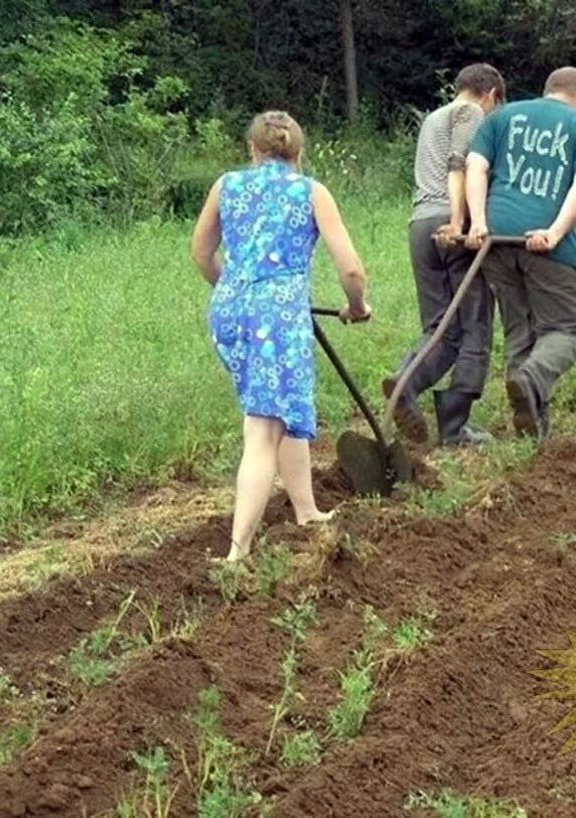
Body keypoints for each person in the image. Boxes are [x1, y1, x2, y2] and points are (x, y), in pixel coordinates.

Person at [191, 111, 371, 562]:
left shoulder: (227, 185)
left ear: (252, 150)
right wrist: (357, 306)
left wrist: (236, 292)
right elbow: (350, 268)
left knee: (282, 406)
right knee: (263, 429)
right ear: (299, 152)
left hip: (230, 312)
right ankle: (238, 552)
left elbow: (202, 251)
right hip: (276, 319)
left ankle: (306, 510)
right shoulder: (309, 191)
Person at [466, 66, 576, 441]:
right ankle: (529, 381)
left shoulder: (502, 116)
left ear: (547, 91)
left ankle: (531, 429)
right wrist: (555, 232)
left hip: (496, 241)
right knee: (565, 330)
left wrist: (479, 222)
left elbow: (476, 166)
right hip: (548, 246)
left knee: (521, 330)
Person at [383, 63, 506, 447]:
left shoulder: (433, 118)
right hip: (450, 225)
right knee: (475, 327)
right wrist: (459, 222)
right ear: (490, 95)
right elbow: (460, 165)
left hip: (419, 224)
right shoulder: (470, 113)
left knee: (440, 327)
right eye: (497, 106)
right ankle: (455, 428)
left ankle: (405, 383)